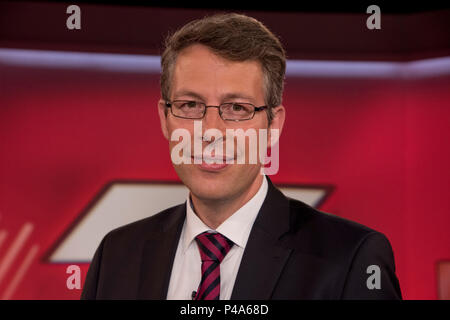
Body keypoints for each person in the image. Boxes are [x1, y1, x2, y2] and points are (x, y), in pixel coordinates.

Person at [81, 13, 401, 300]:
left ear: (273, 125)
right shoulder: (116, 255)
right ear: (165, 119)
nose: (211, 130)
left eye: (237, 108)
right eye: (190, 105)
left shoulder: (351, 259)